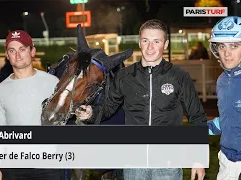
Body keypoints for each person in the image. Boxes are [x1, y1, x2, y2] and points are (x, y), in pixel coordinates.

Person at [75, 19, 207, 180]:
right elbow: (108, 108)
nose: (150, 47)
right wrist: (91, 113)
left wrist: (199, 159)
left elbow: (197, 117)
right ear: (139, 42)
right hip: (134, 164)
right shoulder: (124, 76)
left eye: (156, 41)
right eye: (145, 41)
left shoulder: (179, 77)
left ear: (165, 44)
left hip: (167, 164)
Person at [0, 30, 62, 180]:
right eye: (12, 50)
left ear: (32, 51)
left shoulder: (52, 82)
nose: (17, 54)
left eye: (22, 49)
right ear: (7, 55)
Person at [207, 16, 241, 180]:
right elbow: (230, 119)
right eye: (222, 46)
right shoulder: (222, 80)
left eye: (234, 46)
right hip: (226, 160)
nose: (227, 53)